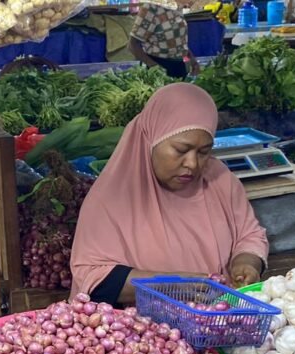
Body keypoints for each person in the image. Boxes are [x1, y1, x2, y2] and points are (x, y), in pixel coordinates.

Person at [70, 83, 268, 305]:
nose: (192, 164)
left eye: (204, 152)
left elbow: (249, 235)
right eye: (181, 150)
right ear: (151, 140)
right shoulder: (111, 200)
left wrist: (247, 263)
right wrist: (172, 286)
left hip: (216, 320)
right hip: (143, 333)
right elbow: (92, 277)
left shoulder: (220, 181)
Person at [129, 0, 200, 79]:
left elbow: (180, 42)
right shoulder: (151, 8)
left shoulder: (176, 7)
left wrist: (193, 61)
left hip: (179, 67)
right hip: (159, 67)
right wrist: (156, 68)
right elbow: (133, 45)